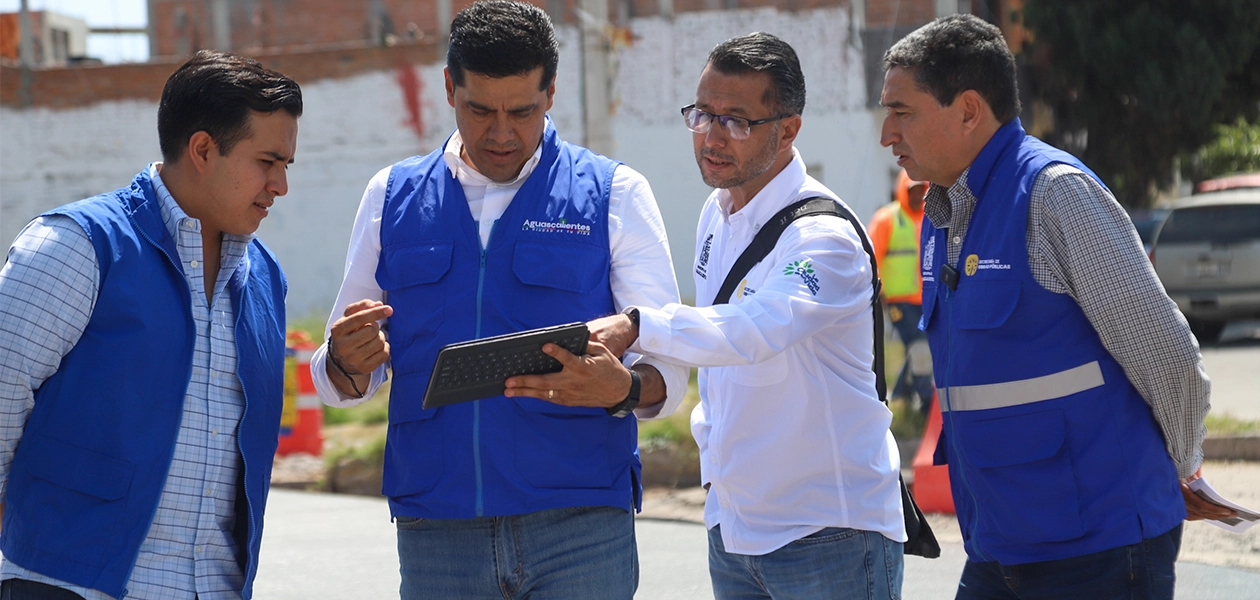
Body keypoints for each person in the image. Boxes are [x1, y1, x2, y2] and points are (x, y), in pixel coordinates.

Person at [309, 2, 687, 598]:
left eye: (523, 111)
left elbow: (670, 361)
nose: (502, 132)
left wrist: (625, 389)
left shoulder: (615, 194)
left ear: (552, 93)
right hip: (438, 526)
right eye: (480, 110)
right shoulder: (391, 197)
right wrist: (345, 360)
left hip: (580, 524)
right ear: (449, 89)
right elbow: (340, 372)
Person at [879, 14, 1236, 600]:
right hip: (999, 544)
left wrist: (1183, 467)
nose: (887, 134)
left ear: (969, 109)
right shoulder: (942, 214)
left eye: (902, 111)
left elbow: (1166, 355)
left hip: (1098, 549)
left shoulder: (1053, 195)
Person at [553, 32, 905, 599]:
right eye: (703, 115)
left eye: (737, 121)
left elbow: (753, 329)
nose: (712, 137)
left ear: (787, 128)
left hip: (829, 532)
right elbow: (718, 357)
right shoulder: (716, 214)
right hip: (736, 532)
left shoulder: (824, 237)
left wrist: (639, 323)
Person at [0, 50, 301, 600]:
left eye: (287, 166)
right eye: (267, 161)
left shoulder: (265, 279)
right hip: (68, 585)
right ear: (204, 149)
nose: (280, 185)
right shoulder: (77, 246)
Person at [868, 169, 934, 414]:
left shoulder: (929, 217)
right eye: (913, 190)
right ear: (902, 191)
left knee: (919, 346)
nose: (918, 195)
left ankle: (901, 398)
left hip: (925, 299)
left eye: (922, 189)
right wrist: (878, 292)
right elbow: (871, 258)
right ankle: (926, 401)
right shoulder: (887, 219)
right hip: (896, 300)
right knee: (919, 346)